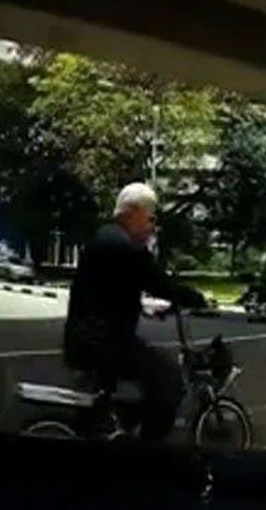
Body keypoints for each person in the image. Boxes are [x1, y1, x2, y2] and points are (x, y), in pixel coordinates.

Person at [63, 182, 208, 442]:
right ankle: (146, 455)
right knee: (169, 383)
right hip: (105, 342)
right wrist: (195, 298)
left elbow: (110, 290)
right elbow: (156, 281)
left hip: (87, 339)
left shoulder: (105, 237)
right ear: (134, 212)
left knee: (117, 401)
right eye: (151, 217)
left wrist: (143, 306)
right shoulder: (126, 246)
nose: (153, 225)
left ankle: (116, 428)